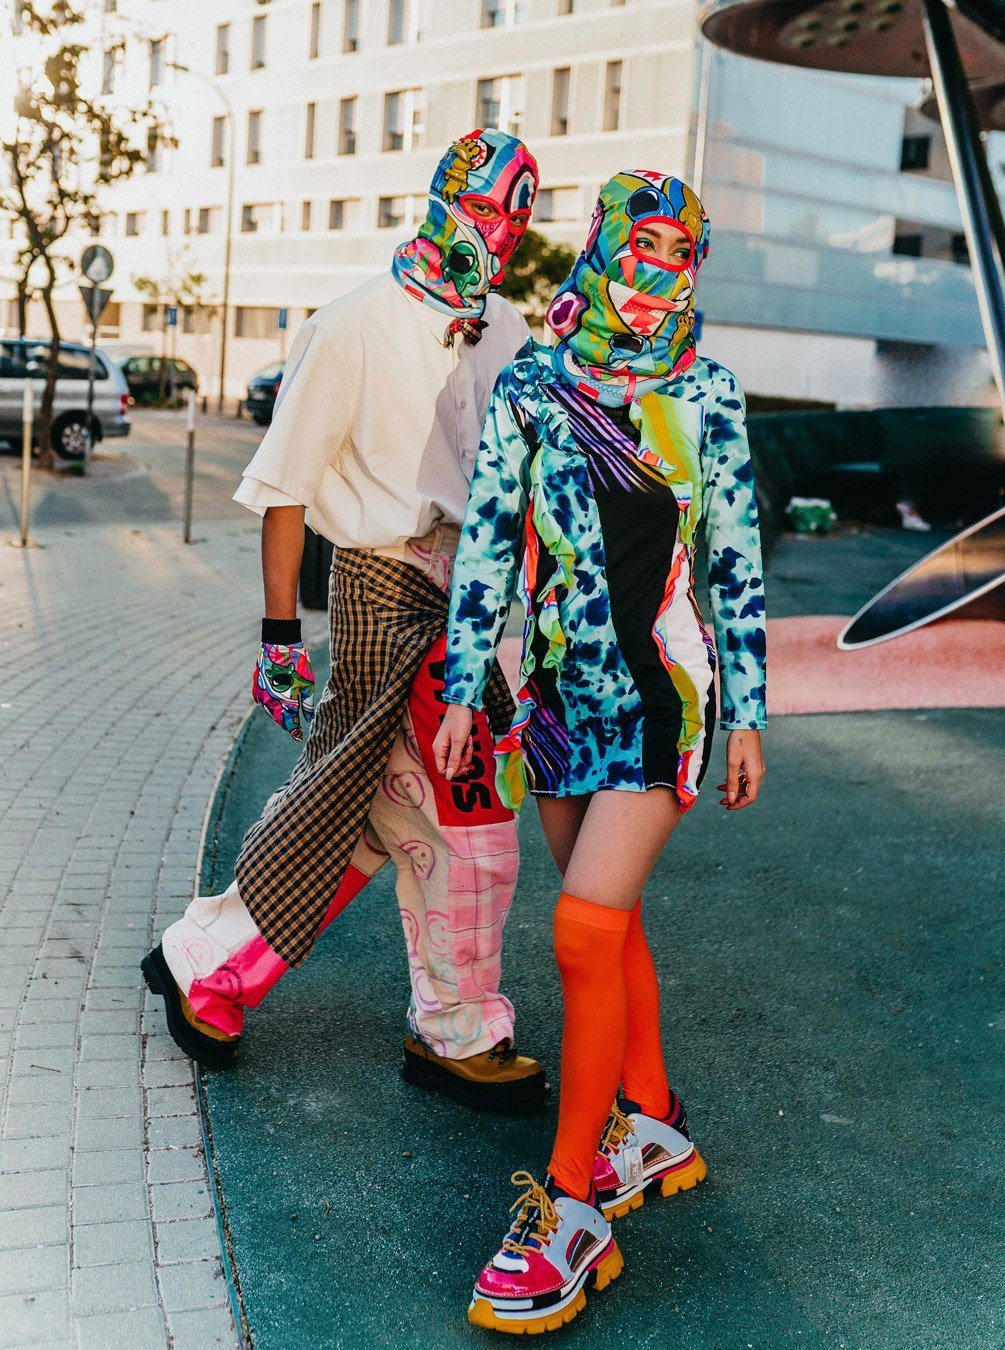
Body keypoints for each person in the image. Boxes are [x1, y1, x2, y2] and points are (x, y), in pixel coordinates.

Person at [141, 130, 550, 1116]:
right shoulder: (353, 324)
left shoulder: (507, 329)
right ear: (442, 198)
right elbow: (285, 488)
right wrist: (280, 639)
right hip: (381, 587)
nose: (501, 231)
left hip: (473, 599)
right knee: (471, 819)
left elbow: (531, 483)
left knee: (376, 809)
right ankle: (456, 1029)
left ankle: (206, 956)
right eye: (486, 206)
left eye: (520, 214)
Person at [433, 170, 767, 1332]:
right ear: (604, 245)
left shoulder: (707, 391)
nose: (658, 274)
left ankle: (573, 1208)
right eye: (643, 247)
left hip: (666, 694)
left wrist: (749, 710)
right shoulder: (533, 384)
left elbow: (735, 558)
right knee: (608, 924)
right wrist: (468, 686)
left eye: (681, 255)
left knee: (580, 930)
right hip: (557, 697)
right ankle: (655, 1121)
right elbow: (489, 538)